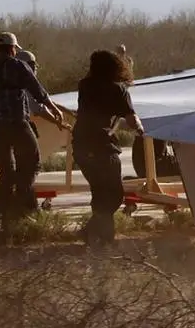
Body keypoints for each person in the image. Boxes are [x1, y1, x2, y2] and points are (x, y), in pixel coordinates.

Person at [0, 32, 65, 229]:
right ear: (12, 49)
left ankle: (3, 211)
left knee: (7, 171)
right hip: (18, 125)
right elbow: (39, 93)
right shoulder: (19, 66)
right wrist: (56, 110)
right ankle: (24, 205)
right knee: (32, 164)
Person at [72, 49, 145, 245]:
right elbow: (131, 117)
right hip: (102, 145)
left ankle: (102, 238)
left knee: (99, 191)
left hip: (80, 144)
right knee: (114, 195)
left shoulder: (84, 85)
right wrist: (140, 128)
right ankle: (92, 231)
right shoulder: (117, 89)